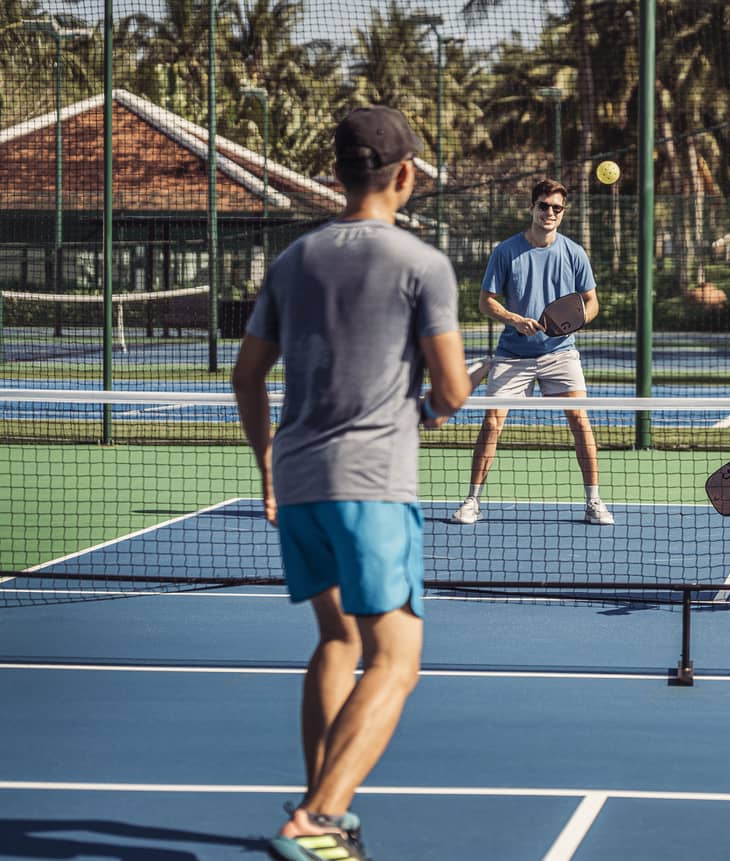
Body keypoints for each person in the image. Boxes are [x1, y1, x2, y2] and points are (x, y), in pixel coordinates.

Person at [232, 105, 470, 861]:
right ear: (406, 176)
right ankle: (318, 818)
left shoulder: (293, 260)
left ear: (336, 174)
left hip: (298, 479)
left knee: (337, 638)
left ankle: (322, 806)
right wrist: (428, 411)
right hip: (371, 485)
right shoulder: (422, 264)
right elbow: (454, 391)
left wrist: (267, 463)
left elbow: (246, 376)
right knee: (396, 659)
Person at [449, 178, 614, 526]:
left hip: (560, 353)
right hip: (512, 354)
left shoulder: (574, 253)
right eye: (544, 206)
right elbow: (486, 302)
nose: (550, 212)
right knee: (492, 423)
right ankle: (472, 501)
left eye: (556, 208)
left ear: (563, 212)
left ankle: (594, 502)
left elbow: (592, 302)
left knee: (580, 420)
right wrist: (514, 319)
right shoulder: (506, 251)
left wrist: (574, 322)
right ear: (532, 208)